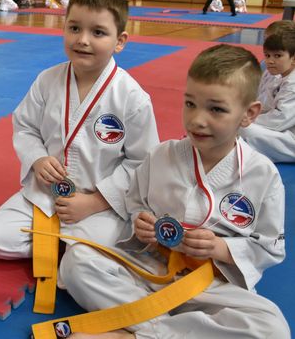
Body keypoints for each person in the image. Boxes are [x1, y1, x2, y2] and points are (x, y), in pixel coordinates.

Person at [59, 44, 289, 339]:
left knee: (272, 328)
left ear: (249, 114)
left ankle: (136, 332)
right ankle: (166, 331)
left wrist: (220, 248)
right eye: (190, 103)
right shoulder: (161, 155)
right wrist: (141, 221)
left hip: (212, 284)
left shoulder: (263, 175)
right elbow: (135, 203)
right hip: (152, 266)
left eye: (216, 109)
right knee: (77, 261)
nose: (197, 119)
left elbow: (270, 247)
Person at [0, 0, 159, 264]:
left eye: (98, 32)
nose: (83, 40)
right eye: (74, 28)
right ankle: (68, 248)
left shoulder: (132, 97)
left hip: (100, 203)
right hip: (47, 194)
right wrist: (37, 158)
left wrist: (94, 202)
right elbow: (25, 127)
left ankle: (73, 250)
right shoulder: (47, 80)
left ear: (120, 41)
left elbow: (142, 163)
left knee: (84, 259)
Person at [239, 26, 295, 162]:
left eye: (278, 56)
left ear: (293, 59)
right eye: (267, 55)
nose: (270, 61)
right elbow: (264, 104)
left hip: (290, 137)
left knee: (245, 129)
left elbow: (280, 120)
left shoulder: (293, 84)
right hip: (282, 130)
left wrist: (247, 118)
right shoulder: (279, 76)